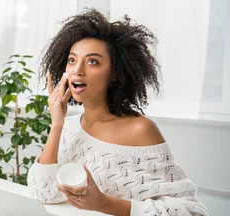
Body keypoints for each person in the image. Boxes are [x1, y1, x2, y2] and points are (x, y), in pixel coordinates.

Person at [26, 9, 208, 216]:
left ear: (115, 73)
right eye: (72, 60)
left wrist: (104, 203)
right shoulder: (67, 128)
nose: (78, 70)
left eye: (92, 61)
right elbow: (44, 193)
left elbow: (191, 211)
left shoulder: (140, 129)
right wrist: (56, 125)